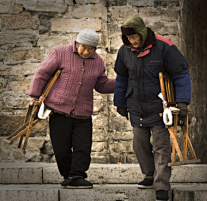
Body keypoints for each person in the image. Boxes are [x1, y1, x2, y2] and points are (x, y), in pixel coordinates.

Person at [114, 16, 191, 201]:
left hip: (161, 106)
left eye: (135, 37)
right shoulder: (124, 51)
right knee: (139, 144)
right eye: (129, 38)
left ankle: (161, 186)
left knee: (161, 146)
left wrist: (182, 102)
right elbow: (122, 78)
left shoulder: (164, 46)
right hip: (136, 105)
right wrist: (120, 102)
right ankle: (149, 175)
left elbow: (181, 73)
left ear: (142, 32)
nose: (133, 41)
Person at [28, 29, 115, 189]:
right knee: (61, 149)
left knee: (83, 147)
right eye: (84, 47)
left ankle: (77, 176)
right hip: (59, 110)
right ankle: (68, 175)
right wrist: (34, 96)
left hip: (83, 113)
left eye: (91, 48)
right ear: (77, 43)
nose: (87, 51)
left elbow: (102, 85)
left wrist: (122, 83)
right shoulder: (60, 53)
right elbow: (42, 74)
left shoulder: (98, 61)